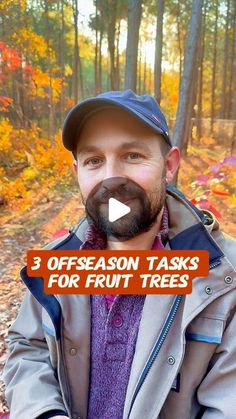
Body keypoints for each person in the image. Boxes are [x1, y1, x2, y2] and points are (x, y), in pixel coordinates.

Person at [2, 90, 236, 419]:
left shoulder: (224, 277)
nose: (112, 180)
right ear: (77, 173)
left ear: (169, 166)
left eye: (133, 156)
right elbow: (28, 348)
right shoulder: (58, 265)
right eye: (94, 161)